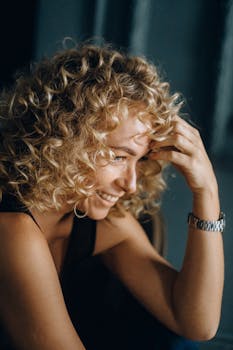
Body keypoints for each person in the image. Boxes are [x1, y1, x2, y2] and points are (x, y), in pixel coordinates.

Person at [0, 42, 224, 350]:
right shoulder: (11, 227)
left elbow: (196, 323)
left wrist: (207, 193)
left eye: (140, 160)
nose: (131, 184)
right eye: (119, 156)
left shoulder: (101, 224)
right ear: (65, 138)